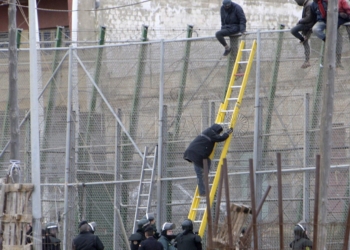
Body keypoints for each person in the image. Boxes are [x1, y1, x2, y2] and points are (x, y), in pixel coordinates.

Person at [184, 124, 233, 196]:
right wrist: (227, 133)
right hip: (197, 155)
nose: (218, 134)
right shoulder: (211, 132)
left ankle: (204, 183)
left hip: (197, 154)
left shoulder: (208, 131)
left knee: (206, 165)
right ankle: (203, 192)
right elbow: (220, 138)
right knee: (200, 174)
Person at [311, 0, 350, 67]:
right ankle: (327, 40)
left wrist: (344, 15)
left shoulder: (328, 1)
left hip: (334, 19)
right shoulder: (313, 4)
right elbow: (313, 16)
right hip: (322, 20)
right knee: (315, 29)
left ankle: (338, 61)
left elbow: (336, 11)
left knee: (337, 39)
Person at [290, 0, 317, 68]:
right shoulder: (307, 4)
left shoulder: (308, 4)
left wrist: (300, 21)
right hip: (308, 25)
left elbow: (308, 18)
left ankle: (302, 38)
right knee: (305, 42)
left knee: (293, 30)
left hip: (308, 25)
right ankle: (307, 61)